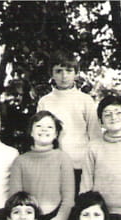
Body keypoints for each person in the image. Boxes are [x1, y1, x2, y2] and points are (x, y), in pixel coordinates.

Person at [8, 111, 76, 220]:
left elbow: (68, 201)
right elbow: (15, 200)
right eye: (39, 126)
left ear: (56, 134)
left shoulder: (63, 159)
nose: (44, 129)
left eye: (49, 127)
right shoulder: (20, 161)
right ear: (31, 132)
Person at [37, 50, 102, 189]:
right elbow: (40, 135)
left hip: (82, 166)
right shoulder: (45, 102)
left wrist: (95, 164)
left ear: (76, 73)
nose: (64, 76)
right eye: (58, 71)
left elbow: (95, 135)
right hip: (54, 166)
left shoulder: (85, 100)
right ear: (51, 74)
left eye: (69, 70)